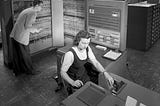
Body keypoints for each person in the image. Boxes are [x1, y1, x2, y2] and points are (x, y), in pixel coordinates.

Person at [10, 0, 43, 76]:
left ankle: (17, 71)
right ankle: (30, 71)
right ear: (37, 5)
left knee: (17, 55)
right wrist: (36, 30)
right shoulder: (33, 13)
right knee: (26, 54)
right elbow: (27, 26)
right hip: (21, 37)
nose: (42, 8)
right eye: (41, 6)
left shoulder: (27, 10)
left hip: (15, 35)